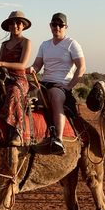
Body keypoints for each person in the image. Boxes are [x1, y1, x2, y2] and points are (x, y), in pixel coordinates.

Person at [28, 13, 85, 155]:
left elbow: (81, 67)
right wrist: (31, 69)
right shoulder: (45, 45)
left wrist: (69, 86)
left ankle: (58, 139)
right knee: (23, 93)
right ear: (50, 26)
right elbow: (37, 65)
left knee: (54, 96)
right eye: (54, 24)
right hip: (43, 82)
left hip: (60, 85)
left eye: (60, 25)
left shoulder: (72, 44)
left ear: (66, 27)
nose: (57, 27)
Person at [0, 11, 32, 146]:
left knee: (13, 92)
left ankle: (16, 131)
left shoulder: (26, 42)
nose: (15, 25)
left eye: (18, 23)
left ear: (23, 26)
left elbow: (22, 65)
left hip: (19, 79)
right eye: (12, 23)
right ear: (9, 26)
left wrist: (1, 63)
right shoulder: (4, 44)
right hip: (4, 77)